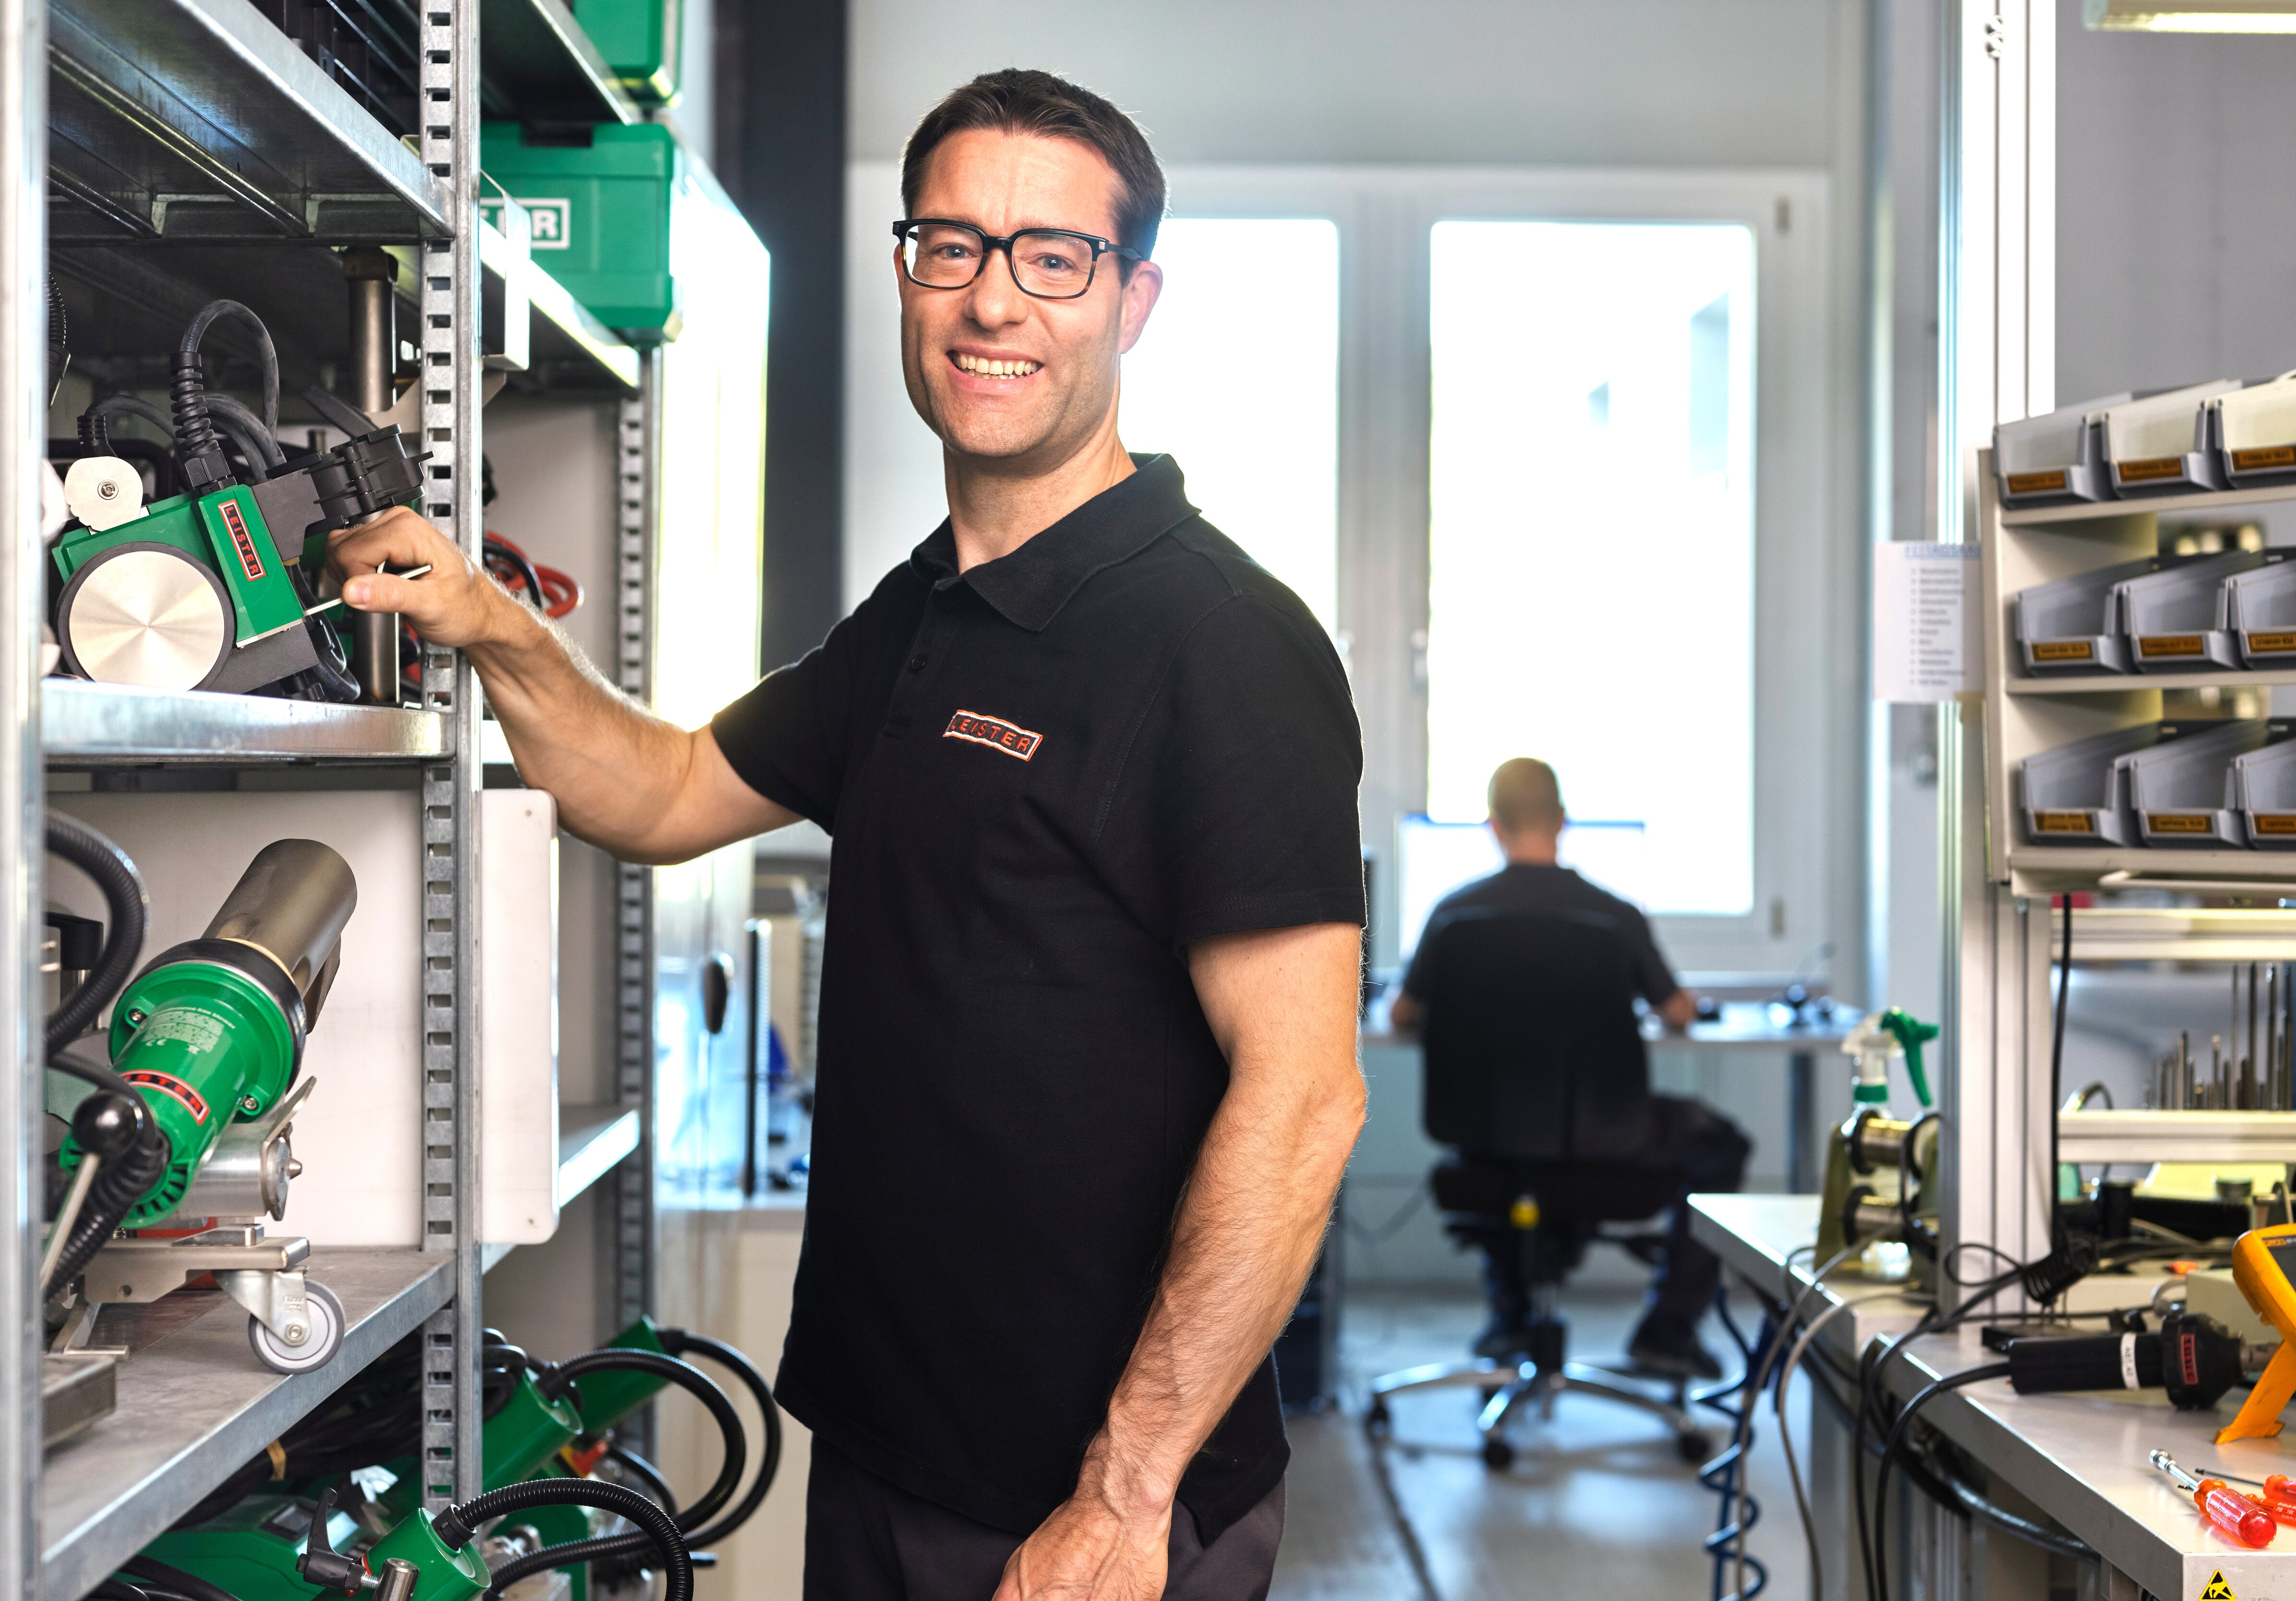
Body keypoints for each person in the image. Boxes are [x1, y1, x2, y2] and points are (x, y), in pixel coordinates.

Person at [329, 67, 1367, 1601]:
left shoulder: (1222, 641)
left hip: (1083, 1506)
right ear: (904, 272)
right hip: (892, 1447)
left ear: (1135, 299)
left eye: (1051, 256)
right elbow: (668, 791)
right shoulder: (928, 611)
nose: (992, 301)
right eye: (950, 245)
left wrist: (1123, 1495)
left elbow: (1305, 1101)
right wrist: (494, 628)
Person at [1390, 757, 1748, 1381]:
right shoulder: (1613, 915)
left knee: (1508, 1143)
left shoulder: (1453, 915)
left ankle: (1511, 1313)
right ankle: (1668, 1329)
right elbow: (1679, 1011)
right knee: (1720, 1143)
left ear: (1493, 827)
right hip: (1607, 1144)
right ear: (1563, 821)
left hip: (1488, 1146)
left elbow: (1400, 1015)